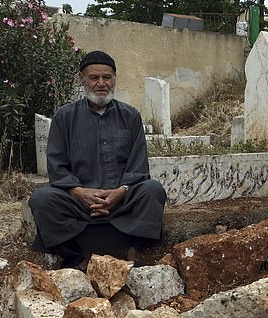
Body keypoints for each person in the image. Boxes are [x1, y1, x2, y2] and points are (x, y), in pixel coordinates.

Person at [29, 50, 166, 268]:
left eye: (107, 77)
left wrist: (120, 192)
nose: (101, 83)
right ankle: (74, 258)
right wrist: (79, 192)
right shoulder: (65, 117)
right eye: (94, 78)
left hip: (122, 201)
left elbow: (138, 165)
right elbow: (57, 166)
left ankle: (134, 253)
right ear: (82, 79)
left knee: (153, 190)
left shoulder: (130, 116)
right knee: (42, 199)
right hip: (78, 201)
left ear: (114, 79)